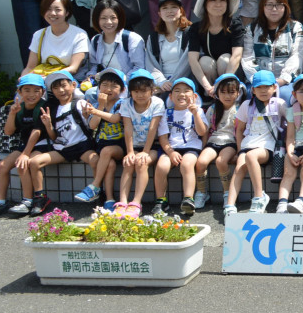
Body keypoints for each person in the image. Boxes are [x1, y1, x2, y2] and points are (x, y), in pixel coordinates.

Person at [26, 71, 99, 217]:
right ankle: (40, 197)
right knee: (34, 162)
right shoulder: (52, 109)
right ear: (52, 91)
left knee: (96, 160)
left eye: (64, 85)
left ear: (73, 85)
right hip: (62, 149)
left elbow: (92, 126)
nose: (61, 90)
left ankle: (98, 192)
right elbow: (54, 137)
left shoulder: (80, 104)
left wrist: (89, 114)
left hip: (82, 147)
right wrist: (48, 125)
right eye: (56, 88)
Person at [0, 74, 48, 218]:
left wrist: (25, 154)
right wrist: (12, 114)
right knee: (2, 165)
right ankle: (0, 202)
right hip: (25, 145)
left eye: (36, 90)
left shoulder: (43, 107)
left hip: (42, 144)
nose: (31, 94)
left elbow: (37, 132)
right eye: (27, 90)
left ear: (43, 92)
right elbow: (8, 132)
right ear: (19, 92)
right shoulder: (19, 108)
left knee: (23, 163)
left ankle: (27, 201)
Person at [224, 70, 285, 215]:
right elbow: (239, 130)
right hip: (248, 144)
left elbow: (291, 123)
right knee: (239, 168)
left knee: (251, 156)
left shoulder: (279, 104)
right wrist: (239, 150)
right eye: (259, 87)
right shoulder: (246, 105)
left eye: (267, 87)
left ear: (274, 87)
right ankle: (230, 206)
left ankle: (259, 197)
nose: (263, 90)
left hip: (267, 146)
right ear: (253, 90)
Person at [152, 78, 208, 216]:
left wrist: (195, 114)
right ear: (171, 96)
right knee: (161, 166)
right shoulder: (167, 113)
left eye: (186, 91)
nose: (182, 94)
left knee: (186, 164)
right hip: (171, 148)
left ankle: (188, 199)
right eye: (177, 91)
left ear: (194, 96)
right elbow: (163, 138)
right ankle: (161, 200)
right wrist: (171, 153)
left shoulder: (198, 111)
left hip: (191, 147)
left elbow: (202, 132)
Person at [241, 0, 303, 107]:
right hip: (258, 82)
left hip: (285, 82)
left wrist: (282, 80)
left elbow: (297, 56)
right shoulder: (252, 28)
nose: (274, 9)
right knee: (251, 98)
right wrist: (262, 82)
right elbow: (247, 58)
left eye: (279, 5)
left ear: (285, 7)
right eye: (270, 5)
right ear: (263, 7)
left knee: (285, 96)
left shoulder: (295, 27)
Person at [74, 67, 126, 206]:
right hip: (102, 145)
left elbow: (115, 118)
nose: (108, 89)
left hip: (120, 145)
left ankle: (95, 185)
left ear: (122, 90)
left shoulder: (122, 104)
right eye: (105, 85)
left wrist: (96, 111)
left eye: (114, 86)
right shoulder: (97, 105)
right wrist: (100, 106)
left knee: (107, 151)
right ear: (98, 88)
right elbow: (92, 125)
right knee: (109, 164)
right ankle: (109, 199)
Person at [116, 70, 165, 217]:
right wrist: (130, 152)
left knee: (141, 163)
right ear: (130, 92)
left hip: (153, 145)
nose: (140, 95)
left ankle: (136, 203)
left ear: (152, 90)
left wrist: (145, 151)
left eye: (144, 91)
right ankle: (122, 202)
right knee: (129, 163)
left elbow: (153, 128)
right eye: (136, 91)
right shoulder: (126, 104)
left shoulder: (157, 103)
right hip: (134, 145)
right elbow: (128, 128)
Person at [193, 73, 245, 209]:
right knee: (201, 162)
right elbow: (206, 130)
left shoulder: (240, 108)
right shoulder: (213, 109)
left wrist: (239, 152)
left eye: (231, 92)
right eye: (223, 92)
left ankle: (227, 192)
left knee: (221, 161)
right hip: (213, 141)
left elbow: (240, 132)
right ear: (217, 93)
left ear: (238, 93)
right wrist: (202, 147)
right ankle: (202, 192)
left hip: (230, 142)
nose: (227, 96)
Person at [79, 0, 146, 103]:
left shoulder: (132, 38)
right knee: (89, 94)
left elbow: (139, 67)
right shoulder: (95, 40)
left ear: (120, 18)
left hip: (127, 85)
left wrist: (120, 81)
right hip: (105, 86)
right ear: (97, 20)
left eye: (113, 18)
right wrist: (91, 76)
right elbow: (94, 65)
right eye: (103, 18)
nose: (108, 22)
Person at [188, 0, 245, 97]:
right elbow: (193, 60)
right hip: (209, 76)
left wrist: (221, 83)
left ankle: (228, 92)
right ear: (205, 4)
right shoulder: (196, 28)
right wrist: (207, 87)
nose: (218, 4)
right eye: (213, 0)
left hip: (230, 72)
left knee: (225, 59)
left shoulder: (235, 25)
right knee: (204, 61)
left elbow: (236, 56)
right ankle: (209, 96)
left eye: (222, 0)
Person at [275, 74, 303, 214]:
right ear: (294, 94)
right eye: (301, 92)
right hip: (296, 147)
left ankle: (301, 202)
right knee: (288, 173)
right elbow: (290, 137)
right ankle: (282, 204)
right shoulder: (291, 111)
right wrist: (290, 153)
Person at [21, 0, 88, 79]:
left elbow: (73, 68)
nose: (52, 13)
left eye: (58, 10)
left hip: (69, 80)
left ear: (67, 12)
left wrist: (48, 77)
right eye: (48, 9)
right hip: (42, 80)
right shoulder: (38, 34)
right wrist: (24, 79)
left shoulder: (79, 35)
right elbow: (30, 67)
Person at [146, 0, 193, 96]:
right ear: (159, 13)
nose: (169, 11)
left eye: (174, 7)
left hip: (184, 81)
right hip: (161, 83)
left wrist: (171, 84)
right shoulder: (153, 37)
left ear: (181, 11)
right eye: (165, 8)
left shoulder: (190, 33)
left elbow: (187, 64)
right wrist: (162, 82)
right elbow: (151, 65)